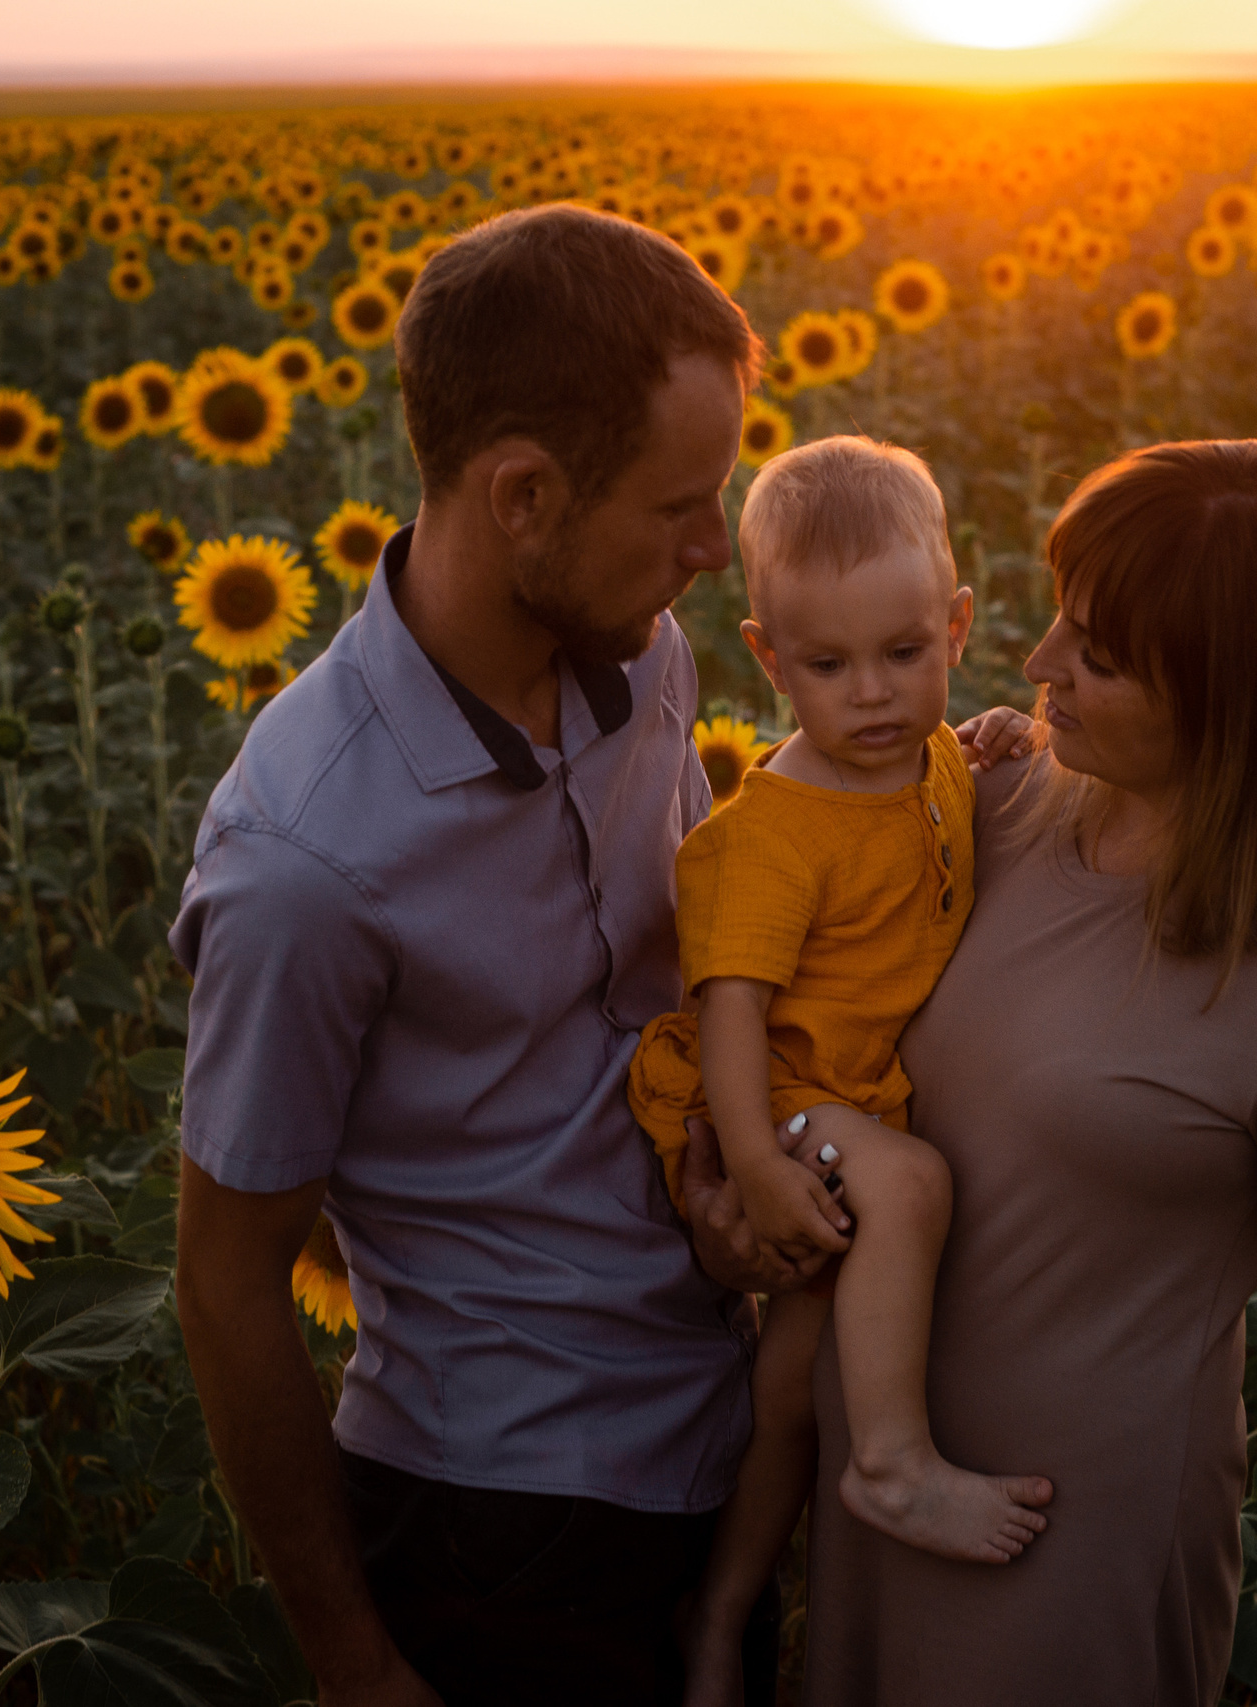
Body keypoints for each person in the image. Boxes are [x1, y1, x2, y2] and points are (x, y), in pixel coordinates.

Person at [167, 204, 822, 1707]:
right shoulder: (305, 859)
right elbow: (226, 1282)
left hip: (724, 1439)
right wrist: (354, 1659)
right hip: (504, 1526)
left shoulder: (638, 655)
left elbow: (680, 984)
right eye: (678, 507)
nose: (711, 554)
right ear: (523, 492)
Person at [801, 438, 1257, 1705]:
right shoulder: (988, 807)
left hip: (1064, 1544)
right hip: (877, 1498)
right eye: (1061, 620)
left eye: (1096, 655)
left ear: (1239, 695)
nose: (1040, 663)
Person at [622, 437, 1055, 1706]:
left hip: (838, 1096)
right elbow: (733, 1012)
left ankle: (723, 1614)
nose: (872, 695)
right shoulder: (773, 833)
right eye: (827, 666)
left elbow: (946, 789)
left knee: (792, 1383)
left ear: (958, 624)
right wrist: (754, 1164)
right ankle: (896, 1465)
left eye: (906, 656)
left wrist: (983, 740)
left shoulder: (929, 757)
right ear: (765, 657)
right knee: (910, 1188)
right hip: (781, 1094)